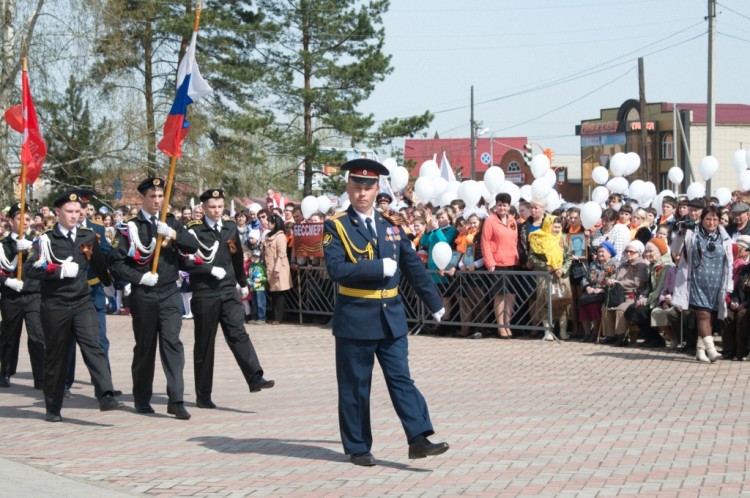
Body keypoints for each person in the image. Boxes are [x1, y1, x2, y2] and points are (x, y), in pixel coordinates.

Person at [323, 158, 448, 467]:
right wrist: (377, 267)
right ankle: (358, 446)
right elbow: (336, 269)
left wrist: (434, 301)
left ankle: (418, 439)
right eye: (356, 187)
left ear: (377, 189)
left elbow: (412, 265)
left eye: (368, 188)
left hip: (391, 316)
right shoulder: (336, 226)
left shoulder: (390, 224)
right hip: (355, 317)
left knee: (401, 379)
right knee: (355, 387)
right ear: (349, 189)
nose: (362, 194)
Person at [24, 190, 123, 422]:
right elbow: (30, 269)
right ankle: (53, 406)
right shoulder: (45, 239)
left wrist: (109, 285)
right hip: (55, 305)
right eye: (69, 211)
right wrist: (58, 271)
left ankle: (105, 394)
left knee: (94, 345)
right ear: (58, 212)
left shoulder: (87, 235)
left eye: (78, 211)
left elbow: (98, 262)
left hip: (81, 301)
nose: (74, 215)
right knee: (56, 357)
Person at [109, 178, 199, 420]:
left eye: (161, 196)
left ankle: (176, 399)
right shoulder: (129, 227)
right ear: (143, 198)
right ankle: (141, 398)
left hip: (169, 292)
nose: (158, 200)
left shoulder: (169, 221)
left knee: (172, 344)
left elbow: (193, 245)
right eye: (153, 196)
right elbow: (116, 263)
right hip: (144, 295)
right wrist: (139, 279)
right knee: (145, 348)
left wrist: (173, 234)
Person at [180, 189, 274, 409]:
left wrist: (242, 282)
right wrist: (209, 270)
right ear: (203, 208)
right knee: (205, 343)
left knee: (238, 333)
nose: (216, 211)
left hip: (228, 291)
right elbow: (184, 261)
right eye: (212, 207)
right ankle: (203, 394)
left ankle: (255, 376)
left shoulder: (230, 227)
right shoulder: (193, 230)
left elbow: (236, 256)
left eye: (220, 207)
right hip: (205, 292)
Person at [673, 206, 734, 363]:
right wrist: (680, 232)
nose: (711, 222)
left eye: (715, 219)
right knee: (703, 314)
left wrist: (728, 285)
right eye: (708, 219)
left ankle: (700, 351)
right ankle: (711, 349)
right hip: (695, 281)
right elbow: (675, 250)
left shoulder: (724, 237)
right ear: (702, 219)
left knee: (710, 317)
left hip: (716, 283)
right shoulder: (692, 233)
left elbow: (730, 262)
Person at [0, 202, 44, 389]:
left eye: (27, 219)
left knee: (37, 336)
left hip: (33, 293)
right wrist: (6, 282)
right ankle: (5, 372)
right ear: (10, 220)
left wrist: (31, 248)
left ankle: (40, 377)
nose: (24, 223)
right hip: (12, 295)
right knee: (9, 336)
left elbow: (44, 264)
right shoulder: (3, 245)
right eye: (19, 218)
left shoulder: (36, 242)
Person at [481, 193, 520, 338]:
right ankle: (501, 326)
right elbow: (485, 242)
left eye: (505, 205)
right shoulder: (490, 221)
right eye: (499, 205)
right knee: (500, 295)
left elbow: (515, 240)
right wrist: (489, 262)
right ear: (495, 206)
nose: (502, 207)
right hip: (498, 263)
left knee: (511, 295)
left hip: (513, 262)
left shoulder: (512, 220)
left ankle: (507, 323)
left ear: (509, 206)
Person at [528, 216, 572, 340]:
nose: (557, 230)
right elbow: (531, 257)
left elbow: (569, 257)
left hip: (561, 276)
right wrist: (545, 266)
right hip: (544, 275)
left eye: (559, 227)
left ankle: (563, 330)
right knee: (544, 302)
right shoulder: (538, 238)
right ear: (548, 226)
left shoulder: (563, 238)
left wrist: (562, 269)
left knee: (563, 301)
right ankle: (547, 330)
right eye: (554, 227)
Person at [600, 240, 649, 346]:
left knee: (621, 309)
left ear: (639, 253)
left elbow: (637, 282)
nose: (628, 253)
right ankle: (610, 335)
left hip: (633, 295)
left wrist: (619, 283)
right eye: (627, 251)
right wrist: (610, 280)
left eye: (631, 252)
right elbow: (614, 276)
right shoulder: (623, 265)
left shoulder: (642, 266)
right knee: (606, 307)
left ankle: (622, 336)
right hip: (618, 293)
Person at [578, 242, 618, 342]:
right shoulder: (593, 264)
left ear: (609, 253)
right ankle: (587, 333)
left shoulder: (615, 265)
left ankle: (595, 333)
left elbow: (614, 280)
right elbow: (585, 278)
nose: (600, 254)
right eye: (598, 252)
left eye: (602, 252)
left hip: (605, 293)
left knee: (594, 306)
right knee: (583, 305)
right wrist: (587, 287)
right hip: (591, 292)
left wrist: (602, 289)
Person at [264, 214, 291, 324]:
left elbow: (282, 254)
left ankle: (278, 317)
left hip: (279, 268)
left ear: (275, 224)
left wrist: (277, 269)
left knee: (279, 294)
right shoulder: (268, 235)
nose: (267, 223)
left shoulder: (280, 236)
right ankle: (273, 315)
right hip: (270, 266)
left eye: (269, 222)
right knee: (273, 293)